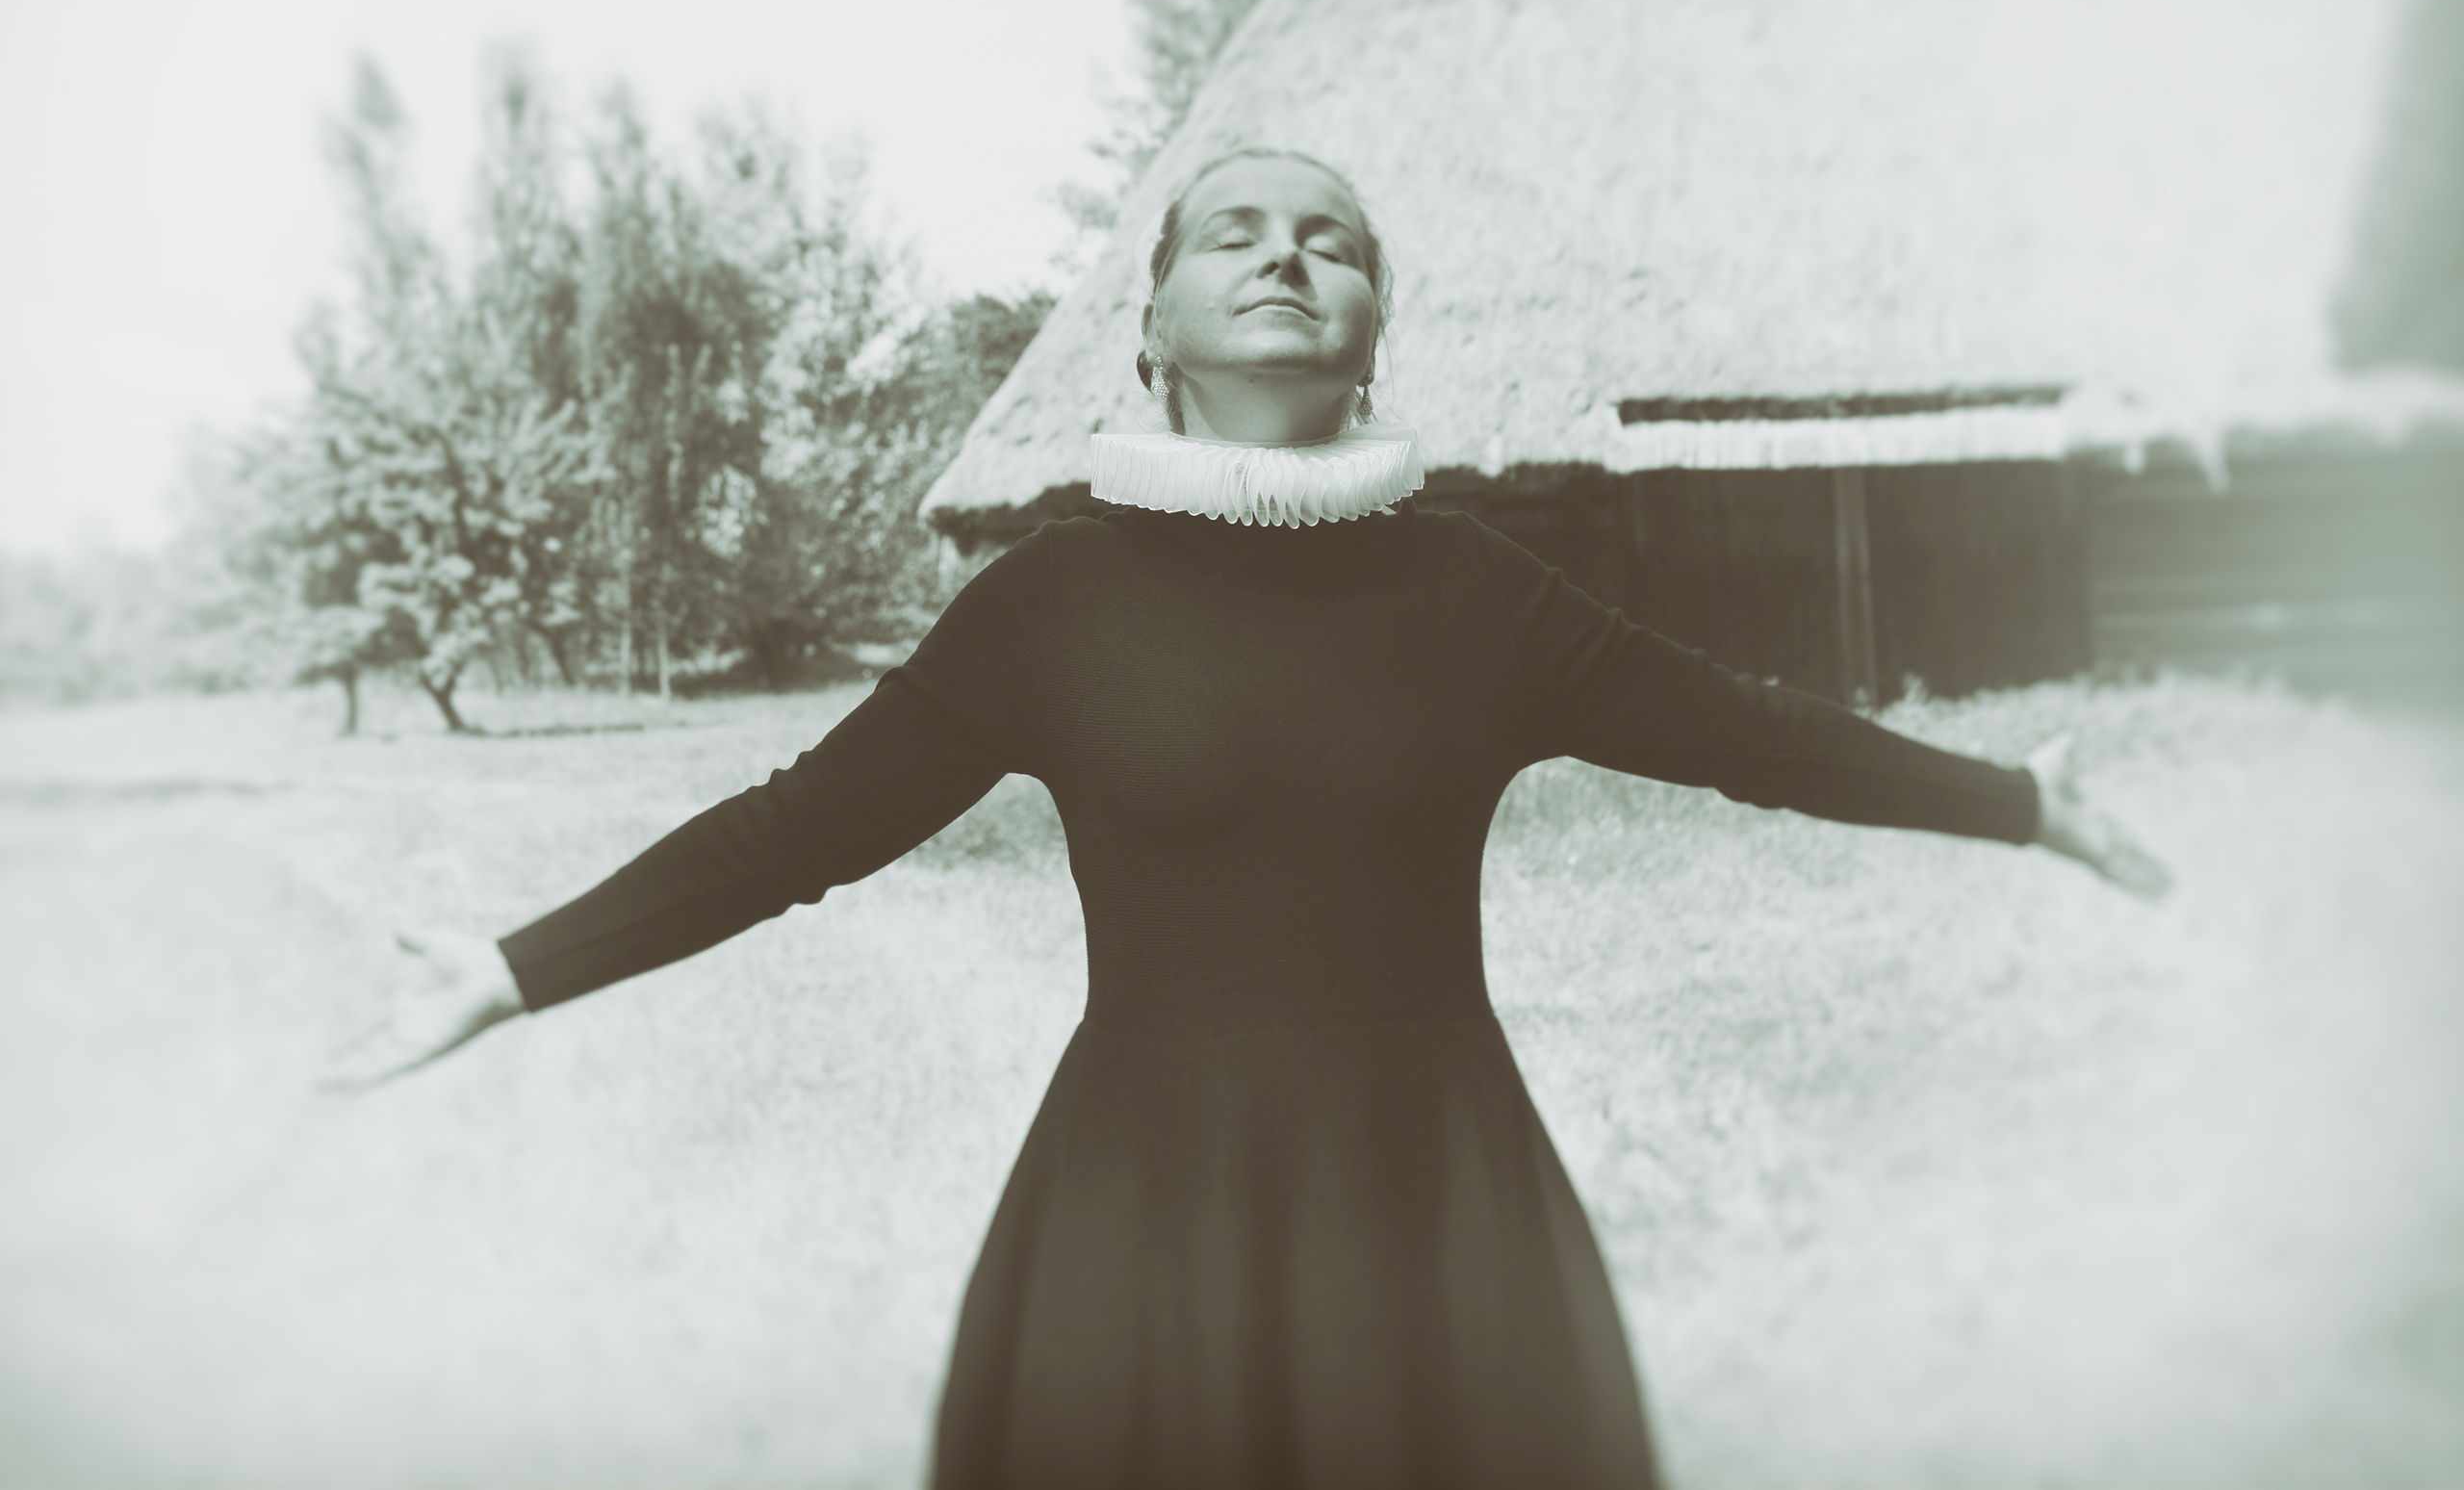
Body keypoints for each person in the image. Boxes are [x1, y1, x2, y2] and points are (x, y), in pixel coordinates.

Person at [328, 148, 2172, 1489]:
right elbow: (792, 829)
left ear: (1370, 339)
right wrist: (510, 965)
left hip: (1432, 1196)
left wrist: (2020, 799)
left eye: (1332, 242)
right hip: (1144, 1208)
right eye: (1237, 231)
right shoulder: (1051, 600)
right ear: (1150, 334)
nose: (1289, 253)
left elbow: (1750, 734)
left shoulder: (1478, 590)